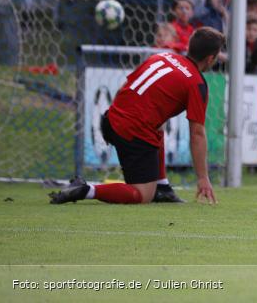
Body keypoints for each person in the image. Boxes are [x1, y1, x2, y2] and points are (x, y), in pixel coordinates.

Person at [49, 28, 224, 205]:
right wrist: (203, 178)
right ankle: (87, 189)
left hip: (110, 119)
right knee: (143, 195)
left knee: (159, 123)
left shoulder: (162, 57)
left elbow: (124, 87)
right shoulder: (197, 83)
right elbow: (197, 134)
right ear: (210, 58)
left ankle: (162, 188)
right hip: (132, 132)